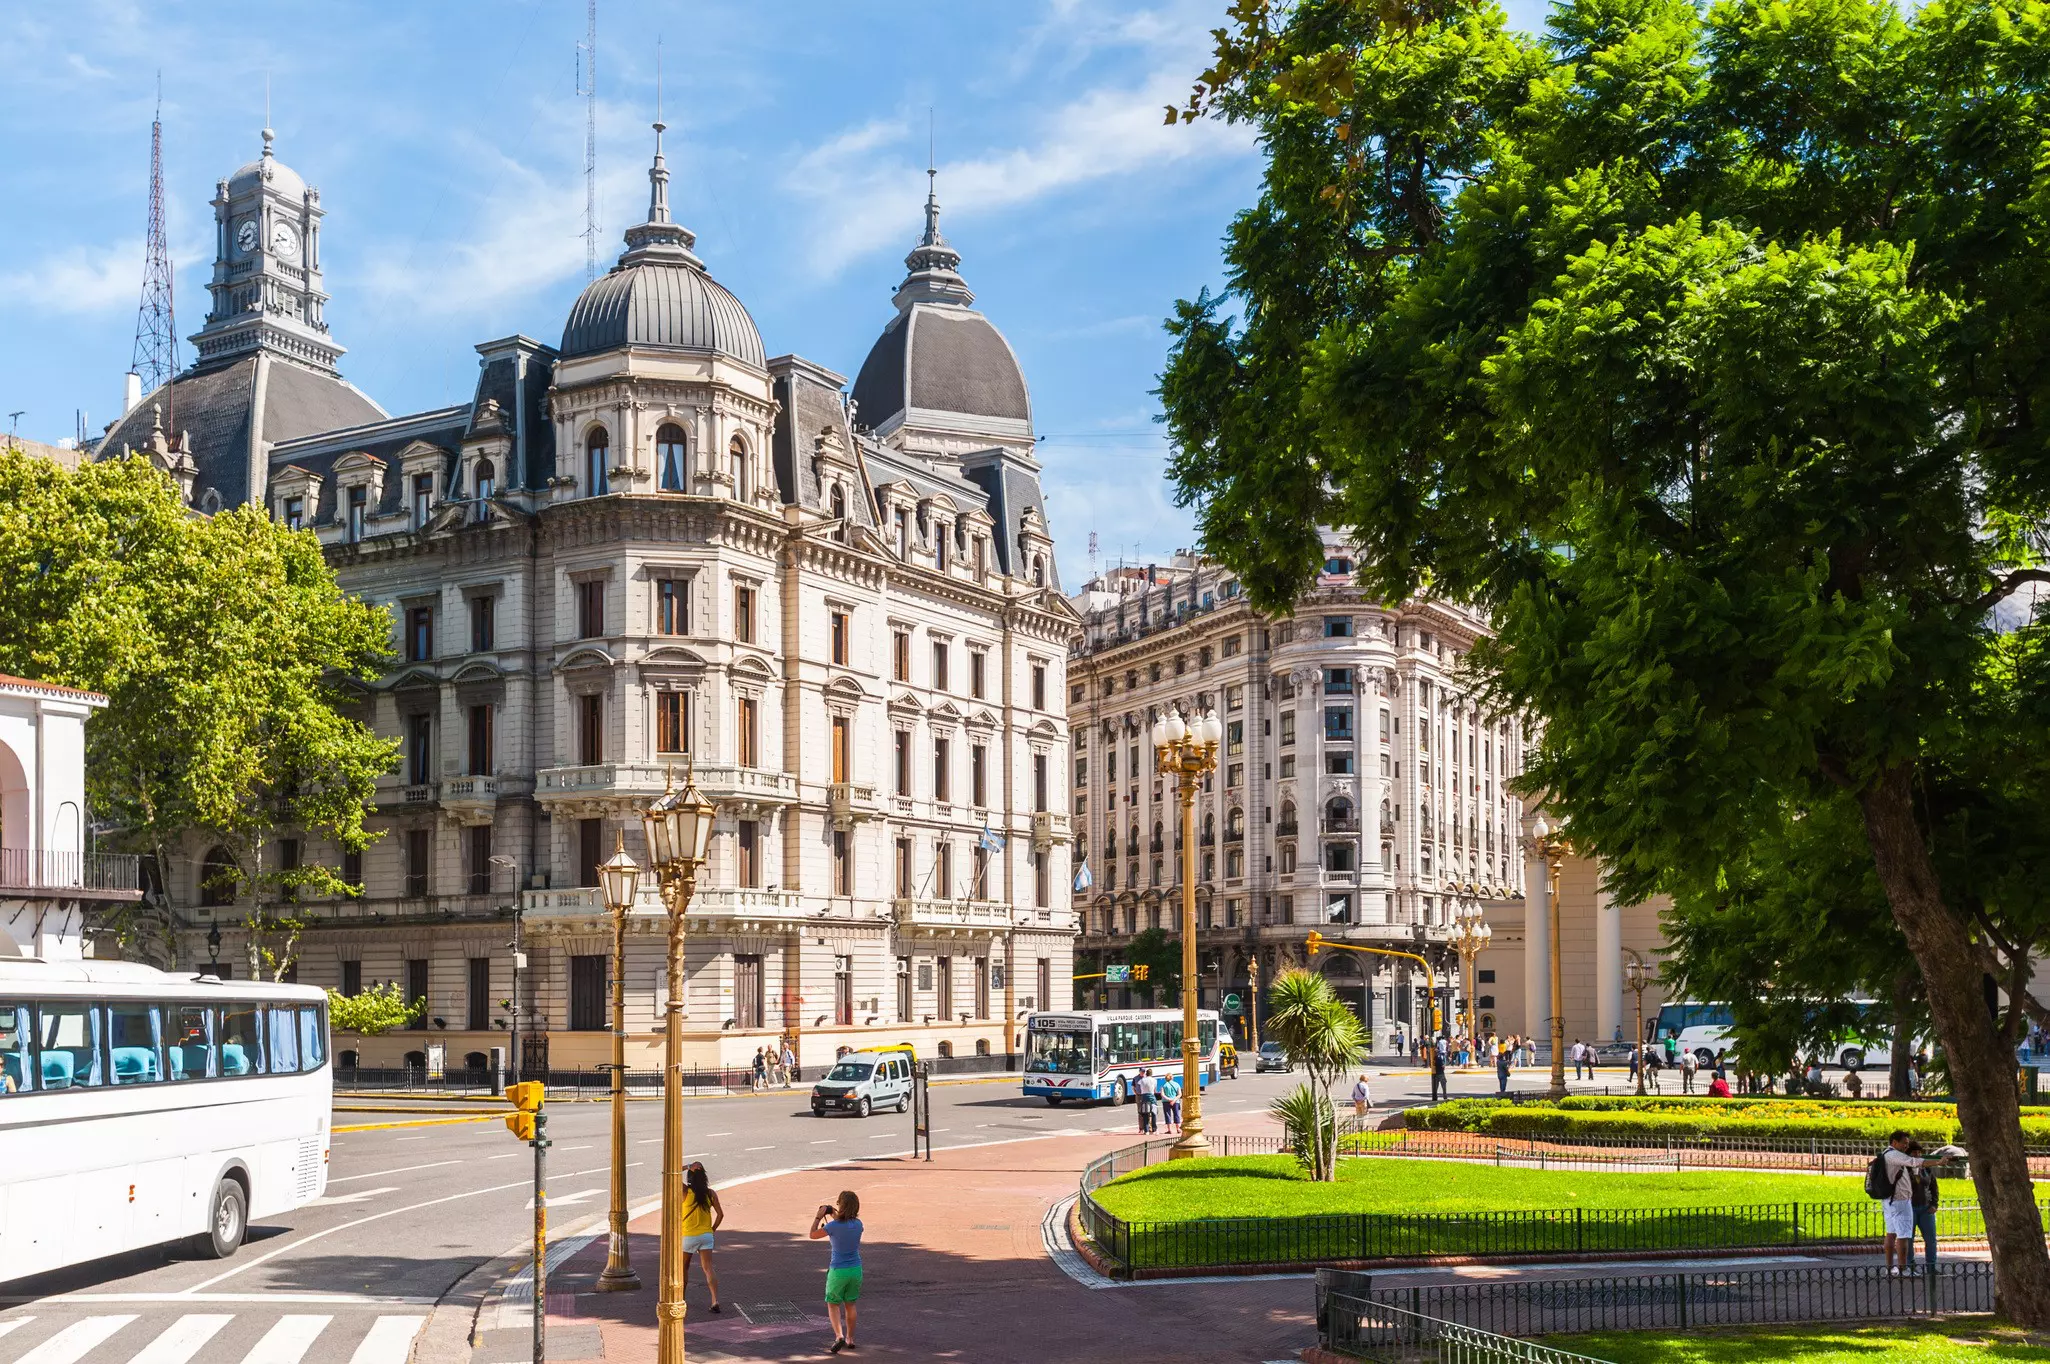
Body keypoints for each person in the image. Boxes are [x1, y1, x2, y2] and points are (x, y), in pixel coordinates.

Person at [809, 1189, 863, 1353]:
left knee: (833, 1304)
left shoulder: (832, 1226)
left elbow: (813, 1235)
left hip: (838, 1270)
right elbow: (844, 1223)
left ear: (841, 1205)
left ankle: (839, 1335)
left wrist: (819, 1216)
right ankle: (850, 1338)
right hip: (855, 1269)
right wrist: (834, 1212)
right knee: (850, 1304)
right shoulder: (858, 1225)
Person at [679, 1161, 725, 1313]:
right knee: (708, 1268)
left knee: (684, 1267)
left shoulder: (685, 1191)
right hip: (706, 1235)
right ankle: (714, 1300)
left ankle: (682, 1299)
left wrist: (687, 1166)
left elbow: (670, 1173)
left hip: (688, 1236)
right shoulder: (710, 1193)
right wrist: (712, 1230)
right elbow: (720, 1214)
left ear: (690, 1177)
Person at [1879, 1129, 1926, 1275]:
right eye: (1904, 1143)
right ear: (1894, 1142)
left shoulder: (1886, 1154)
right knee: (1903, 1235)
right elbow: (1914, 1162)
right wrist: (1939, 1161)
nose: (1907, 1146)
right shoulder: (1894, 1155)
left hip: (1890, 1200)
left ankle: (1889, 1267)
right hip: (1900, 1200)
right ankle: (1902, 1269)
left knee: (1891, 1233)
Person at [1907, 1139, 1941, 1276]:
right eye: (1914, 1152)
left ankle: (1931, 1267)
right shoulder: (1905, 1168)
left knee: (1931, 1239)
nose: (1917, 1155)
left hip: (1926, 1208)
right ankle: (1910, 1265)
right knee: (1908, 1239)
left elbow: (1934, 1187)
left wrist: (1934, 1204)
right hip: (1909, 1208)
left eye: (1919, 1152)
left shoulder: (1926, 1168)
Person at [1430, 1037, 1449, 1103]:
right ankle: (1444, 1096)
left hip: (1437, 1073)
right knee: (1443, 1086)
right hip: (1440, 1073)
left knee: (1437, 1086)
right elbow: (1441, 1065)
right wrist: (1443, 1066)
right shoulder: (1438, 1058)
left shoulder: (1434, 1058)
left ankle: (1438, 1096)